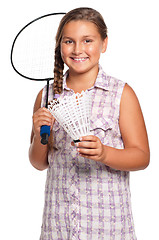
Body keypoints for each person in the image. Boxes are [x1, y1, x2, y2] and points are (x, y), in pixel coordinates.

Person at [29, 7, 150, 239]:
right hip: (59, 225)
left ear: (103, 44)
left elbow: (142, 157)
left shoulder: (121, 94)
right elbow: (38, 162)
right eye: (69, 41)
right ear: (60, 46)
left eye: (87, 40)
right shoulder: (45, 96)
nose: (78, 49)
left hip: (107, 226)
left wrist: (105, 153)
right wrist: (39, 135)